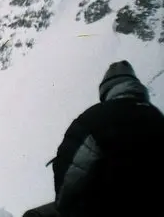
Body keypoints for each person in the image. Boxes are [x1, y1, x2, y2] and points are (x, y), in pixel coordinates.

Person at [23, 60, 164, 217]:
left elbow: (70, 175)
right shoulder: (158, 117)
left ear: (106, 90)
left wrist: (66, 208)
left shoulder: (95, 118)